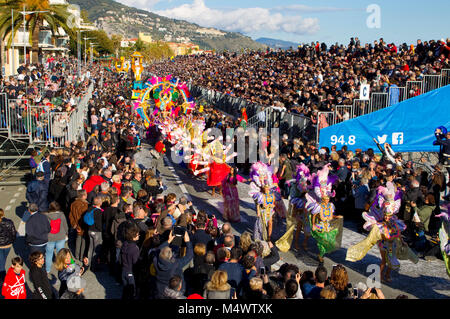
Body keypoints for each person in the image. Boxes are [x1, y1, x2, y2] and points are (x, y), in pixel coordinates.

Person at [346, 182, 418, 282]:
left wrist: (402, 241)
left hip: (392, 243)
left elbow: (398, 233)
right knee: (384, 260)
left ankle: (387, 275)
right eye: (386, 215)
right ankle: (380, 276)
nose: (387, 217)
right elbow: (375, 237)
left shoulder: (394, 222)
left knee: (391, 260)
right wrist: (385, 236)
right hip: (383, 244)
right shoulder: (379, 225)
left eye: (389, 216)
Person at [154, 230, 193, 298]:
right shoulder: (176, 264)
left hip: (159, 289)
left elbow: (158, 250)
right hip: (175, 291)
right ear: (171, 256)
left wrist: (169, 241)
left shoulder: (155, 260)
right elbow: (189, 256)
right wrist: (187, 241)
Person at [44, 201, 69, 274]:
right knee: (60, 253)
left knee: (48, 254)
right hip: (60, 236)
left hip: (49, 237)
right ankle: (60, 267)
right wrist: (66, 233)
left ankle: (47, 269)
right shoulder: (61, 215)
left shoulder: (46, 216)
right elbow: (65, 225)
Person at [120, 223, 140, 299]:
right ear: (133, 237)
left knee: (125, 290)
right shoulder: (135, 248)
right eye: (138, 235)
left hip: (124, 270)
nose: (139, 236)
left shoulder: (124, 244)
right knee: (131, 293)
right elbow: (135, 263)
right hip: (130, 272)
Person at [0, 208, 16, 281]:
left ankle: (3, 279)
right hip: (8, 246)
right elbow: (13, 233)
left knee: (2, 264)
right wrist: (11, 242)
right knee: (3, 260)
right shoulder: (9, 222)